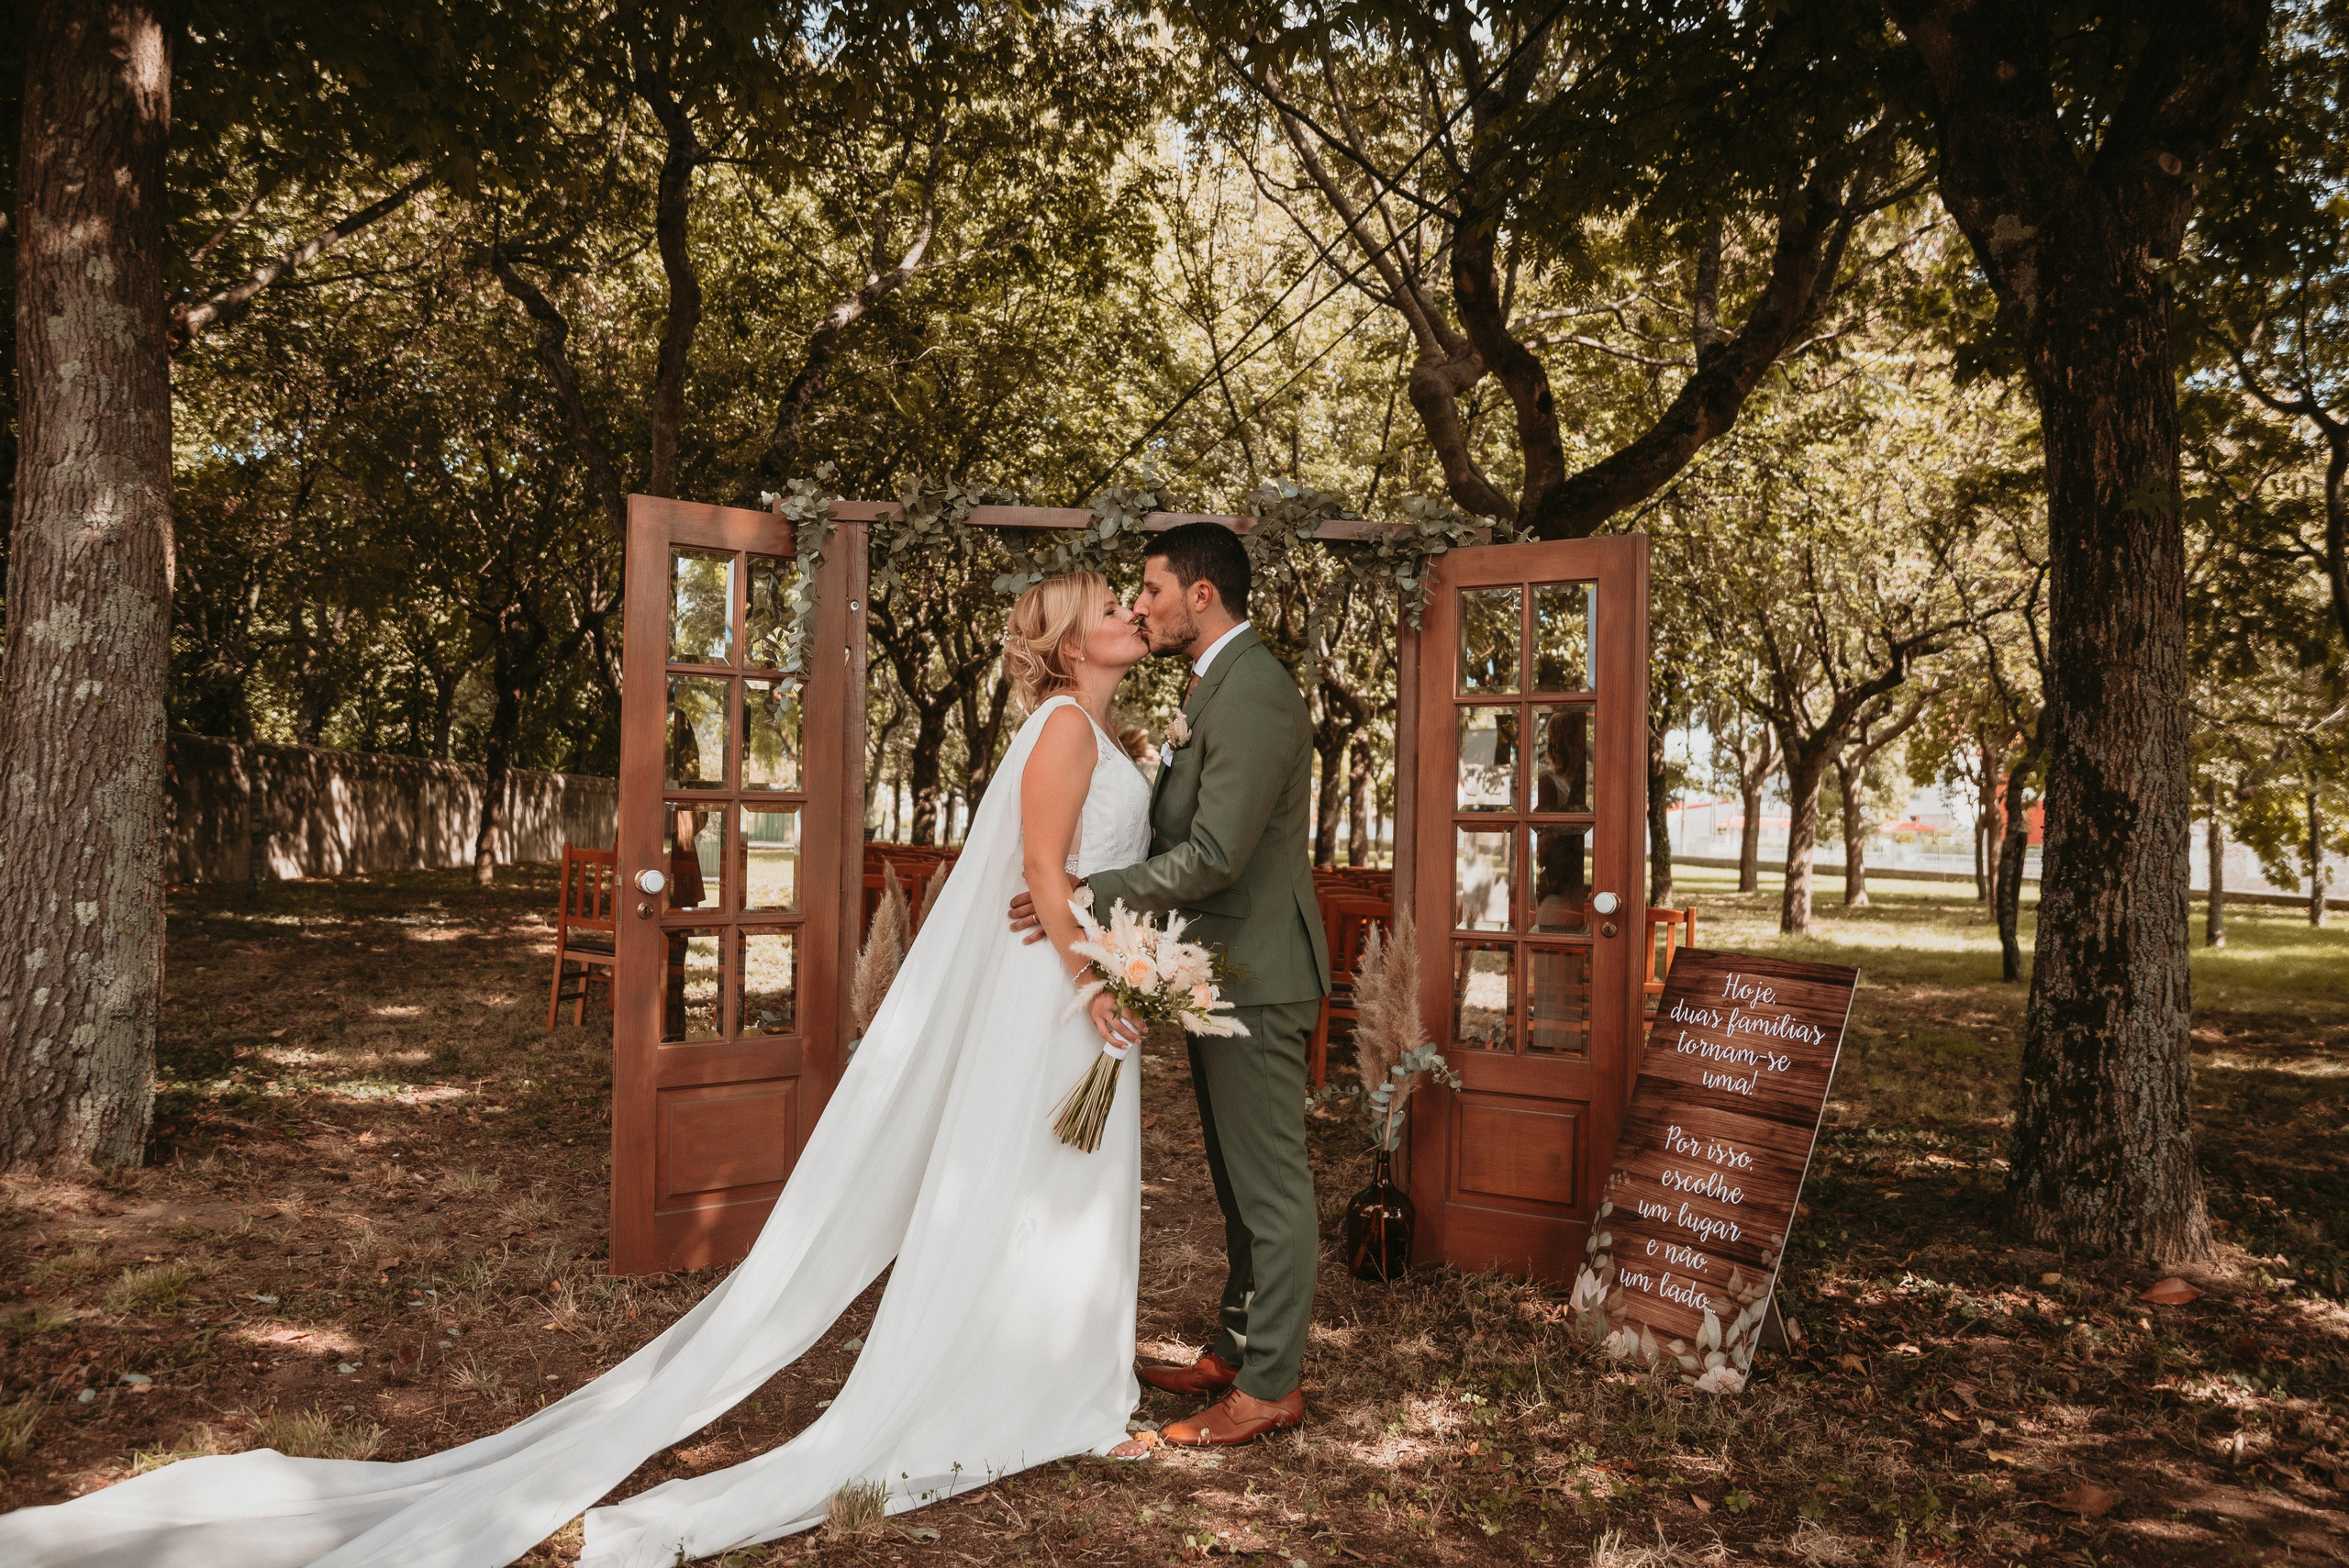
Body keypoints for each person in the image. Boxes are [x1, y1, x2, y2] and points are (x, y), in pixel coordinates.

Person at [0, 573, 1162, 1568]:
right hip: (1055, 990)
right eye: (1107, 604)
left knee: (1056, 1182)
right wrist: (1100, 981)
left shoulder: (1115, 735)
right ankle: (1010, 1383)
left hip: (1076, 982)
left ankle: (1062, 1377)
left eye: (1129, 599)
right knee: (1025, 1168)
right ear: (1063, 642)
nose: (1125, 609)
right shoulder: (1062, 728)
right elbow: (1047, 878)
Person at [1009, 522, 1331, 1447]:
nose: (1139, 605)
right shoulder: (1212, 687)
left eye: (1148, 588)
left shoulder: (1257, 691)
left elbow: (1221, 853)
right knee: (1236, 1181)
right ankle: (1236, 1348)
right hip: (1215, 969)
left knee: (1269, 1184)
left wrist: (1084, 889)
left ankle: (1269, 1383)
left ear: (1201, 594)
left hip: (1258, 972)